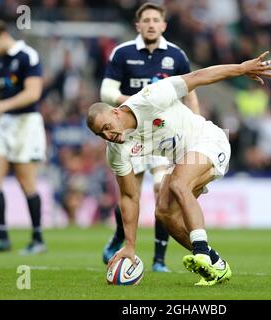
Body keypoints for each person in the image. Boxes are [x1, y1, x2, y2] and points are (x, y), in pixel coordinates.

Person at [87, 51, 271, 285]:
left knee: (179, 184)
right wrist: (130, 245)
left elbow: (198, 77)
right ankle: (215, 262)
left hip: (209, 140)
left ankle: (200, 251)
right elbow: (129, 196)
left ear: (116, 112)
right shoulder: (116, 150)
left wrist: (241, 68)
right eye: (101, 134)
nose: (108, 135)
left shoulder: (149, 98)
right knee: (164, 213)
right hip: (181, 158)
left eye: (107, 126)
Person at [99, 2, 200, 272]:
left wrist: (197, 122)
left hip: (163, 132)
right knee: (128, 193)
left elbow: (190, 89)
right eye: (146, 20)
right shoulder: (123, 53)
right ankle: (121, 236)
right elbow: (107, 92)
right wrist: (139, 103)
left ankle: (158, 259)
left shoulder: (176, 55)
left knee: (160, 191)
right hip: (131, 134)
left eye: (156, 20)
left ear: (164, 25)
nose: (152, 24)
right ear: (138, 25)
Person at [0, 19, 47, 255]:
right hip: (5, 123)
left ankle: (37, 239)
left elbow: (33, 93)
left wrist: (1, 106)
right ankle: (1, 236)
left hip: (26, 123)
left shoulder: (28, 56)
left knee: (26, 181)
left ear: (2, 35)